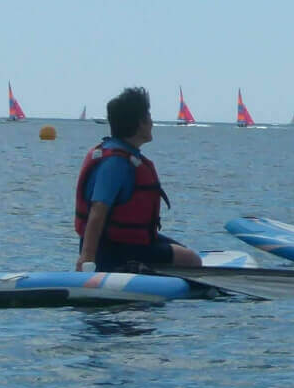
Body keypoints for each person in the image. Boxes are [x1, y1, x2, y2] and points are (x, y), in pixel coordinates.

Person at [74, 86, 202, 272]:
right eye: (149, 117)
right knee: (191, 260)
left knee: (183, 252)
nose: (152, 123)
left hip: (127, 243)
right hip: (113, 252)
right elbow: (98, 210)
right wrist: (87, 258)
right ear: (141, 123)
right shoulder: (116, 163)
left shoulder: (122, 155)